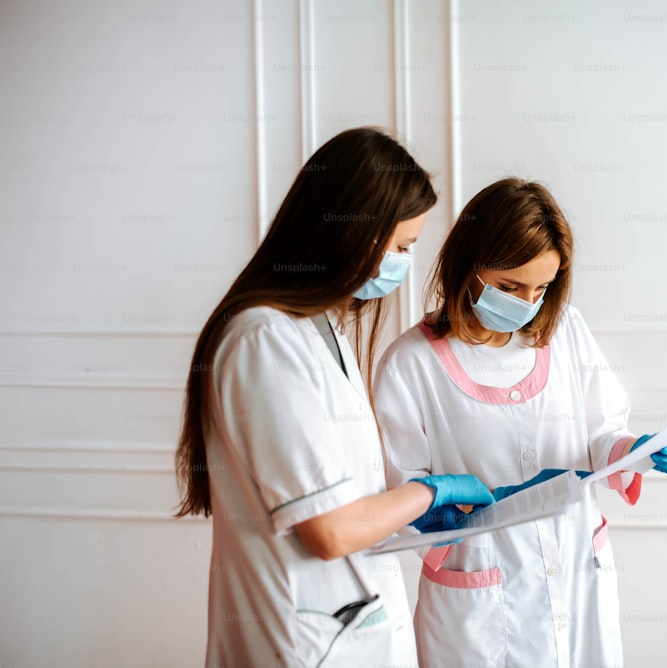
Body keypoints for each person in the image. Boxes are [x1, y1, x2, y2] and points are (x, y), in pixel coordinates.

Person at [173, 127, 495, 667]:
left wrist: (404, 512)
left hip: (350, 629)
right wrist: (429, 492)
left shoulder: (324, 333)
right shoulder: (265, 342)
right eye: (398, 247)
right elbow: (328, 529)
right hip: (300, 644)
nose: (401, 263)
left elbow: (342, 499)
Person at [373, 177, 667, 667]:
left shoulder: (566, 332)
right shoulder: (410, 363)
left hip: (576, 579)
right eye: (509, 286)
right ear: (468, 266)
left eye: (541, 288)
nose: (526, 304)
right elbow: (402, 491)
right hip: (477, 600)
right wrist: (445, 510)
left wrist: (638, 450)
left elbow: (601, 433)